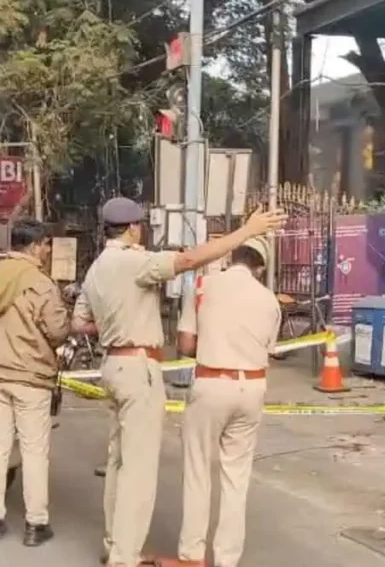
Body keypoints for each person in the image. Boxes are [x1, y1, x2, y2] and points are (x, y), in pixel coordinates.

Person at [71, 197, 286, 567]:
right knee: (138, 469)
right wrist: (246, 230)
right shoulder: (135, 262)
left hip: (113, 366)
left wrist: (115, 326)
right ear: (135, 227)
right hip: (141, 368)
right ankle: (125, 557)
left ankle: (116, 543)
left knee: (119, 461)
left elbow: (79, 323)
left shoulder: (96, 270)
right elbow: (187, 261)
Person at [175, 237, 281, 567]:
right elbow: (269, 351)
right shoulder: (270, 301)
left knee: (197, 471)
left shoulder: (205, 285)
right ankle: (227, 560)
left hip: (211, 383)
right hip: (251, 388)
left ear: (232, 256)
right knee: (236, 477)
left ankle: (192, 555)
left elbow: (185, 345)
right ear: (260, 267)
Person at [0, 219, 70, 547]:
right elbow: (58, 331)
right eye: (46, 245)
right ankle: (35, 523)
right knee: (33, 450)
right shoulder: (39, 283)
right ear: (34, 245)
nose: (47, 251)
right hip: (31, 377)